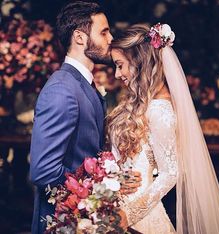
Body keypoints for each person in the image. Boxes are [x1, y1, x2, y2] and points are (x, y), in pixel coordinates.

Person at [107, 23, 219, 234]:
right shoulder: (140, 102)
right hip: (114, 206)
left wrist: (128, 214)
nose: (117, 73)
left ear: (139, 63)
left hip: (139, 219)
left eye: (120, 65)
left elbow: (170, 173)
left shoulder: (159, 110)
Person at [30, 1, 113, 233]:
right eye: (104, 32)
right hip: (61, 221)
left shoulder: (81, 83)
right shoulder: (62, 89)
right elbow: (43, 171)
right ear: (79, 37)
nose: (110, 38)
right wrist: (94, 186)